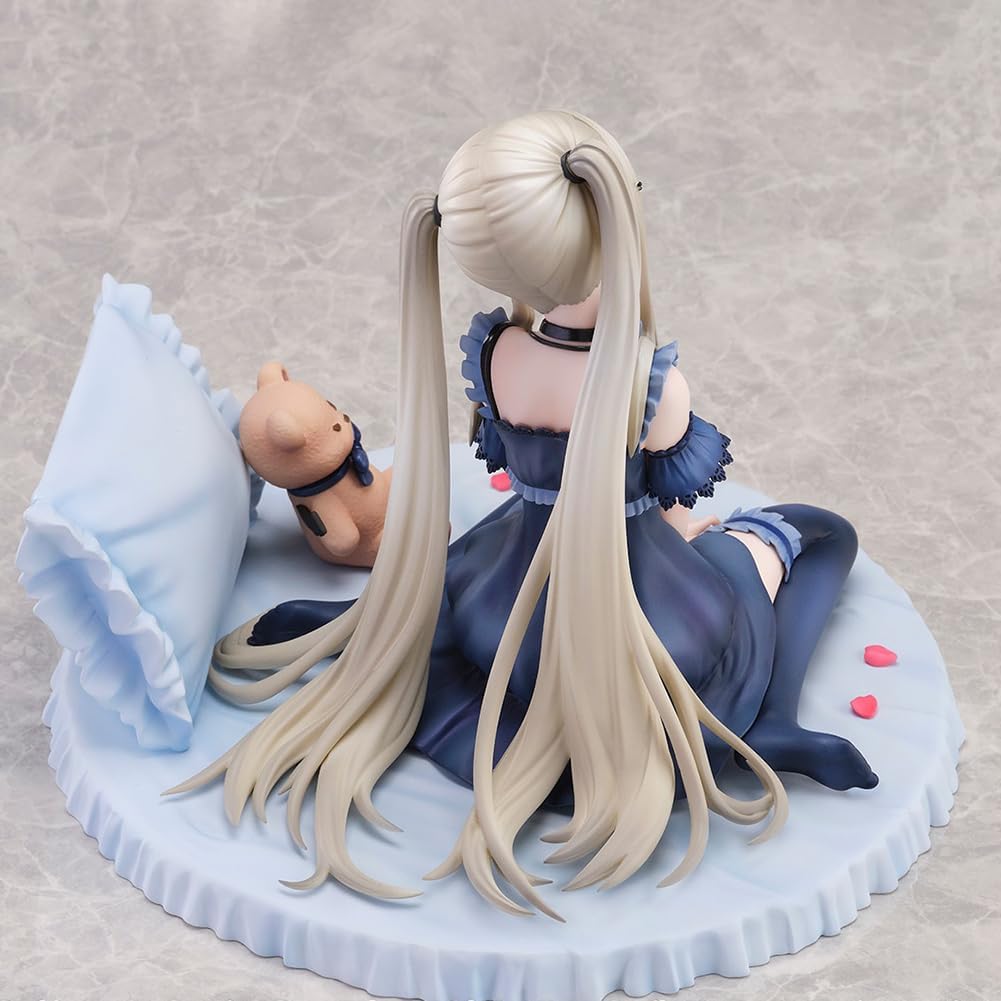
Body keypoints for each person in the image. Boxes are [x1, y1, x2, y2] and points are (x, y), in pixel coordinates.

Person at [170, 111, 874, 920]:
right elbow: (673, 508)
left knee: (443, 592)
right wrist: (701, 546)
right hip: (644, 624)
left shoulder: (496, 352)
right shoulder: (652, 384)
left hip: (501, 614)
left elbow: (511, 458)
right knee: (817, 532)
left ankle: (350, 625)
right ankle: (773, 721)